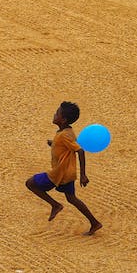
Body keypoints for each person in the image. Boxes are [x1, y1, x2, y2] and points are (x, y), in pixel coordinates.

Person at [25, 101, 102, 235]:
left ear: (63, 119)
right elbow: (66, 146)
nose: (55, 114)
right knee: (72, 198)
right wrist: (54, 143)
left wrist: (83, 175)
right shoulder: (66, 132)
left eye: (57, 113)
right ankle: (94, 223)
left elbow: (80, 150)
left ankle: (55, 205)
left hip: (60, 174)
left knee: (30, 183)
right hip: (68, 173)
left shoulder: (64, 135)